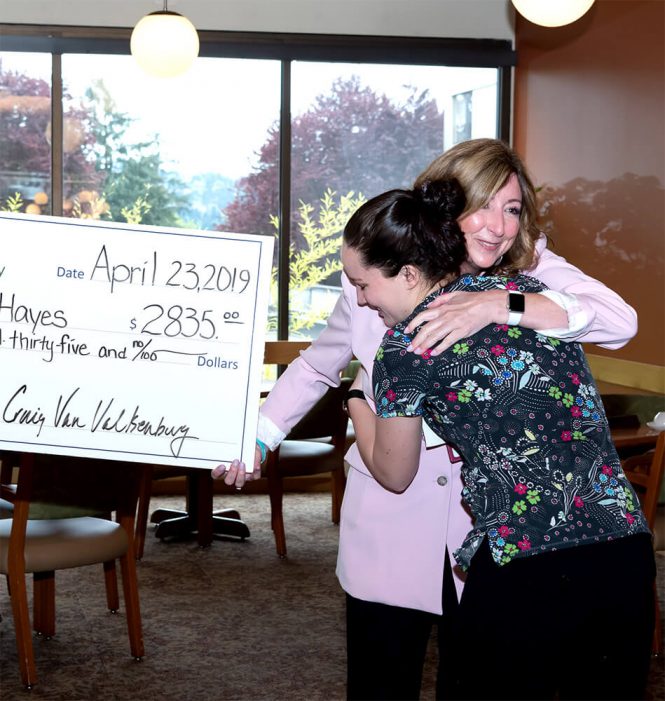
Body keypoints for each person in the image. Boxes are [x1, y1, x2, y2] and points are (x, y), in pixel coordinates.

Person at [214, 139, 639, 700]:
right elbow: (319, 365)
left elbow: (619, 321)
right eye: (481, 206)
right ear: (442, 207)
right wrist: (258, 440)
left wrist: (498, 304)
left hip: (494, 526)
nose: (498, 227)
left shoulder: (528, 268)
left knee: (474, 673)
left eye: (512, 209)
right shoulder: (374, 273)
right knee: (382, 672)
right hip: (392, 510)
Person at [343, 177, 655, 700]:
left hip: (524, 560)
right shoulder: (528, 295)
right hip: (621, 547)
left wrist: (357, 398)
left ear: (410, 273)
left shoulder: (404, 349)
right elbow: (600, 316)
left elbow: (395, 472)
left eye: (363, 283)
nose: (360, 299)